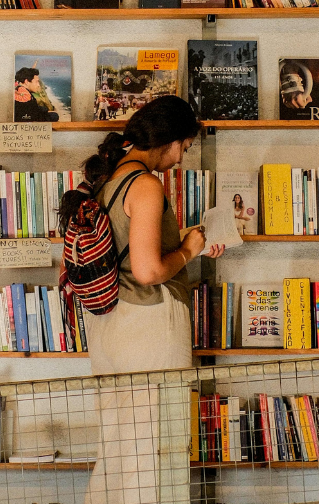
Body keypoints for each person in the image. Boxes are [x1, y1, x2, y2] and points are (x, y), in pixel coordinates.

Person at [58, 95, 224, 504]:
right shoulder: (146, 185)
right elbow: (148, 271)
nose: (181, 159)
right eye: (184, 147)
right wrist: (188, 252)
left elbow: (129, 249)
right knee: (156, 448)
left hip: (109, 323)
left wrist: (184, 241)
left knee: (118, 449)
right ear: (169, 139)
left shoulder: (106, 180)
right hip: (148, 324)